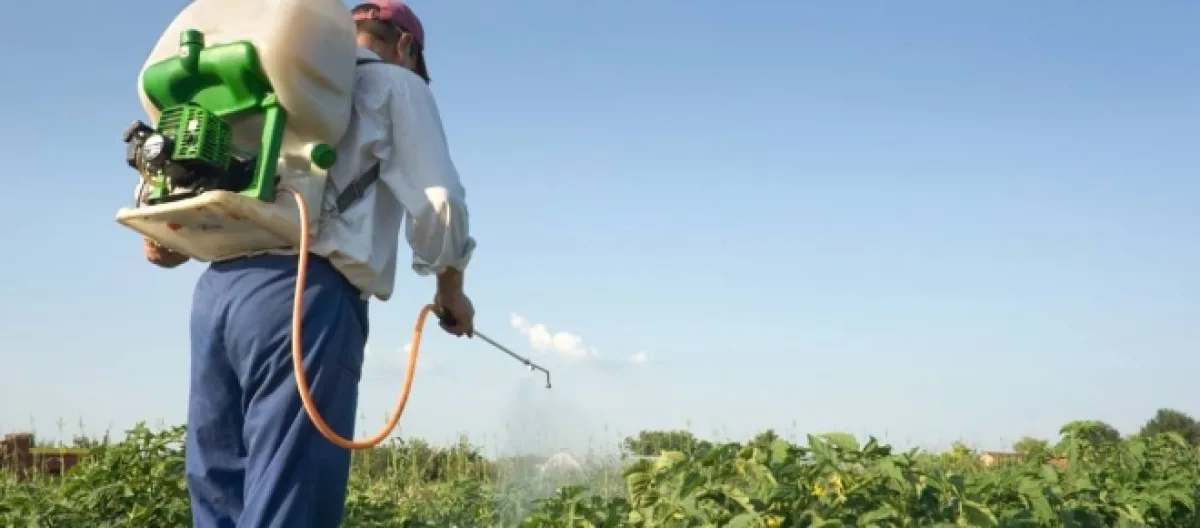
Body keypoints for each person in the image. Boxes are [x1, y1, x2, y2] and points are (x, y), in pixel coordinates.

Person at [142, 1, 476, 526]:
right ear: (406, 46)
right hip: (304, 294)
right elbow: (440, 202)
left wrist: (169, 233)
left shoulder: (267, 74)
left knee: (218, 489)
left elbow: (164, 238)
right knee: (290, 496)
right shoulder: (395, 84)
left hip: (217, 295)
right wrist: (450, 291)